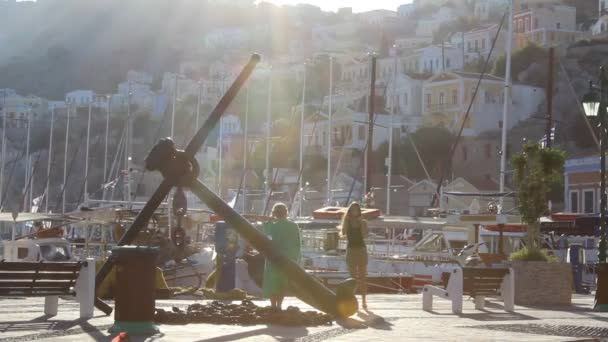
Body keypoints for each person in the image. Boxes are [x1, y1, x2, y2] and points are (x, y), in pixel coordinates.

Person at [262, 203, 301, 311]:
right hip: (286, 259)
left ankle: (273, 305)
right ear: (286, 213)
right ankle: (279, 305)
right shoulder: (293, 226)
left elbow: (266, 236)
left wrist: (268, 221)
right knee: (281, 283)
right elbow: (297, 244)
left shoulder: (271, 226)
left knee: (272, 283)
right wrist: (295, 257)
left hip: (273, 258)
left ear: (274, 213)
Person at [342, 202, 369, 309]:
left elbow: (365, 235)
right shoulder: (346, 221)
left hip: (361, 250)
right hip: (351, 250)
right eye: (352, 209)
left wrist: (361, 224)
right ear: (349, 211)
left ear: (359, 211)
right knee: (352, 277)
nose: (354, 211)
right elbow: (344, 233)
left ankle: (364, 300)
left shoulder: (363, 222)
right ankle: (353, 300)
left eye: (356, 209)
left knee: (363, 277)